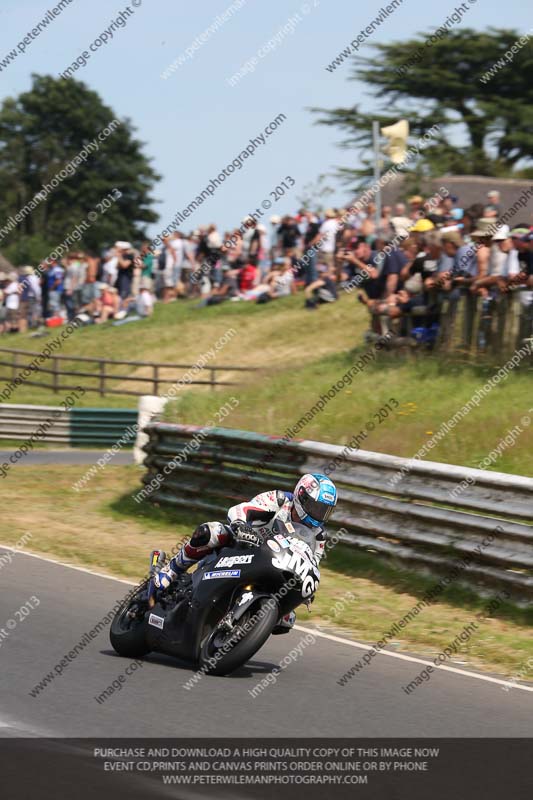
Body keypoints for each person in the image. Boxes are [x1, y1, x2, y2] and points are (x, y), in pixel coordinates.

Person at [154, 473, 338, 632]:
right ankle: (171, 569)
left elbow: (312, 562)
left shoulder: (319, 536)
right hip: (243, 545)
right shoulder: (280, 500)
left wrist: (307, 588)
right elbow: (242, 509)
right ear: (302, 497)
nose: (319, 516)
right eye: (317, 508)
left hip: (276, 566)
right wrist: (241, 525)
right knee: (212, 532)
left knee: (286, 619)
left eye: (325, 512)